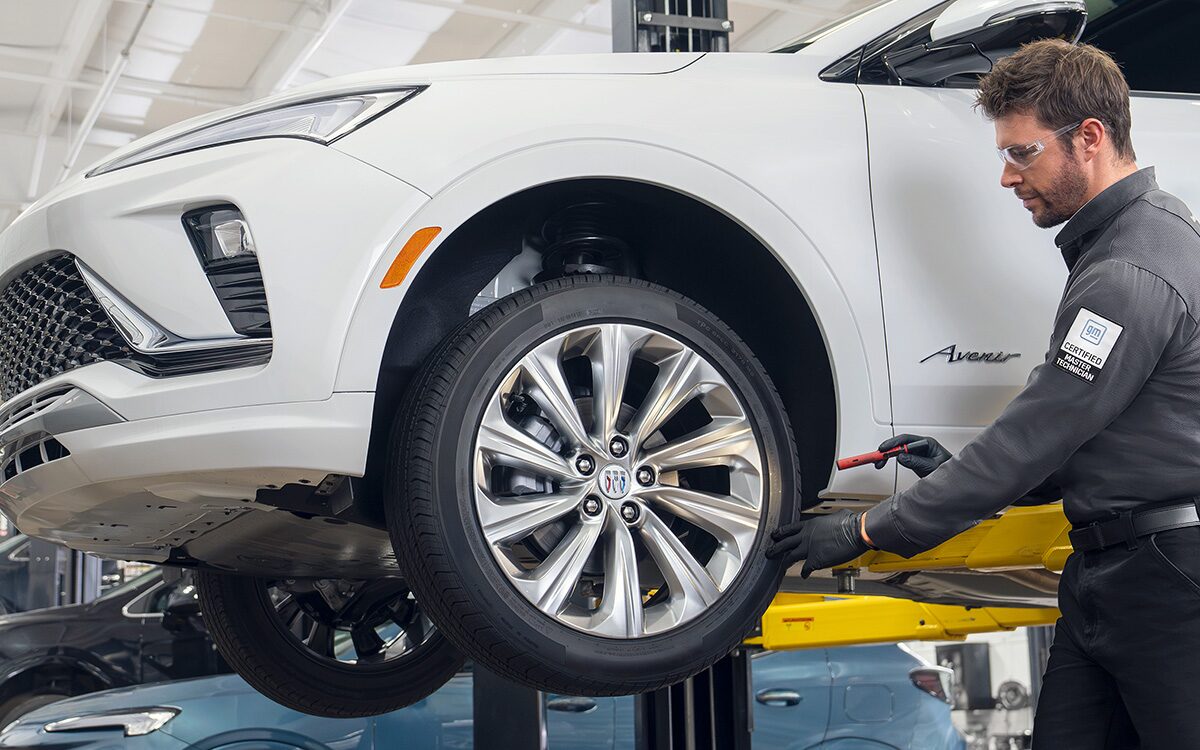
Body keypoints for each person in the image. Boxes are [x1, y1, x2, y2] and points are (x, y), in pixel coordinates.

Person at [767, 38, 1200, 749]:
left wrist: (869, 531)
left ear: (1089, 138)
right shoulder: (1126, 248)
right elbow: (1073, 446)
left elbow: (1034, 435)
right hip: (1109, 574)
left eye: (1022, 153)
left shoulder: (1132, 273)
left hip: (1170, 583)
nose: (1006, 176)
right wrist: (951, 468)